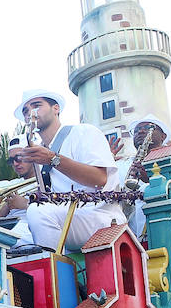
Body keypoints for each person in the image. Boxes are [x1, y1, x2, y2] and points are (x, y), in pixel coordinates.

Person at [11, 89, 122, 253]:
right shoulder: (40, 152)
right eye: (26, 110)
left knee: (38, 212)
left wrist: (53, 159)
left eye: (36, 105)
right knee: (8, 238)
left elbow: (100, 179)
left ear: (56, 108)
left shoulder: (84, 132)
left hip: (100, 217)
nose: (30, 113)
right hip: (65, 218)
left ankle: (54, 274)